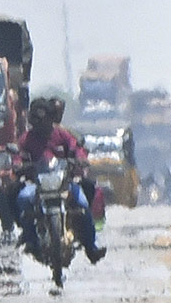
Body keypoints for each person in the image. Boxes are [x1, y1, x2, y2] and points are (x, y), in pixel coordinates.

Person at [14, 97, 106, 264]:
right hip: (38, 186)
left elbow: (76, 148)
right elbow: (17, 155)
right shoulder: (26, 138)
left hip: (64, 184)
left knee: (83, 205)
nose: (42, 124)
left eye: (45, 120)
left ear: (51, 118)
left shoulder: (62, 134)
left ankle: (91, 247)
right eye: (37, 120)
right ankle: (31, 241)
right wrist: (18, 164)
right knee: (22, 199)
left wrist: (80, 159)